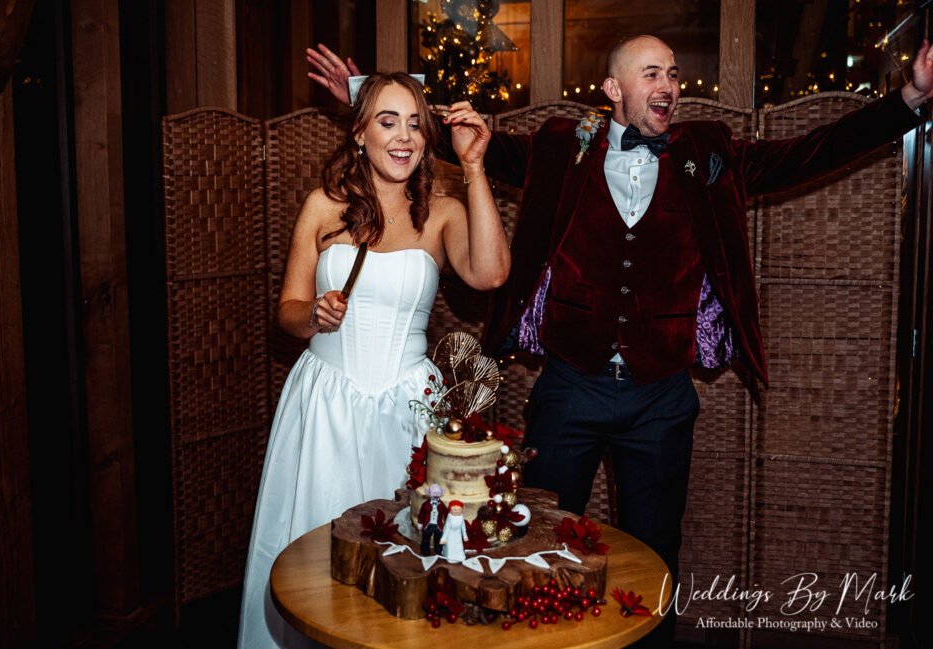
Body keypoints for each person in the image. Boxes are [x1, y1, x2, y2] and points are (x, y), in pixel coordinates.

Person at [307, 38, 933, 584]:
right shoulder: (561, 146)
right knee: (532, 540)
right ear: (613, 88)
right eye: (653, 73)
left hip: (661, 397)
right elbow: (453, 136)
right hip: (569, 388)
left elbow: (811, 151)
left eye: (674, 75)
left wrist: (908, 96)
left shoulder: (708, 151)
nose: (669, 85)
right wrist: (363, 95)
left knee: (656, 553)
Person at [237, 72, 510, 649]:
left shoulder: (442, 212)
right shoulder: (322, 206)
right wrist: (312, 315)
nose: (404, 136)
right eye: (388, 121)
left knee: (410, 565)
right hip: (327, 405)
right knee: (317, 560)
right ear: (359, 132)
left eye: (415, 123)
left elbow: (490, 274)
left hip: (410, 412)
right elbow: (285, 308)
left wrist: (476, 167)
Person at [416, 483, 448, 556]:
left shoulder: (441, 504)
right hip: (428, 525)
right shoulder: (425, 504)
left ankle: (438, 550)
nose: (436, 495)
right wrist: (420, 523)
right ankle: (425, 550)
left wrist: (447, 523)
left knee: (438, 538)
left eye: (437, 493)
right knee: (426, 538)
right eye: (434, 493)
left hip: (438, 525)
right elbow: (422, 514)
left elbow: (446, 513)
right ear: (429, 494)